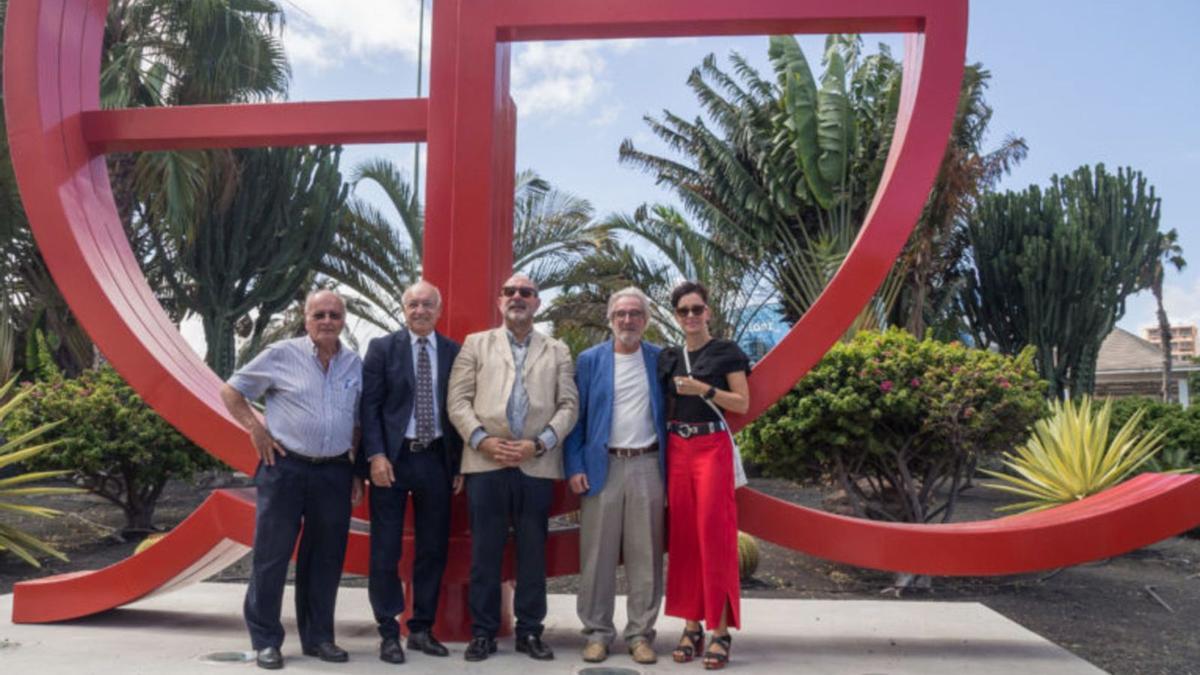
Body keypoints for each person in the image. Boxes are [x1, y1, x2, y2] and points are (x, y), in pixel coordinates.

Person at [220, 290, 363, 671]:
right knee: (272, 556)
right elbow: (231, 391)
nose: (327, 321)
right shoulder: (281, 355)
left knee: (326, 559)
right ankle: (266, 640)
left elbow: (357, 422)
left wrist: (354, 470)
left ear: (343, 320)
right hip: (285, 468)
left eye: (334, 315)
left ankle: (319, 638)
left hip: (334, 471)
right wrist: (256, 429)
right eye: (320, 315)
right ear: (306, 319)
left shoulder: (354, 364)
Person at [446, 273, 578, 662]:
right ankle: (483, 633)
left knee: (533, 555)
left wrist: (539, 443)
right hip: (485, 464)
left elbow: (569, 405)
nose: (518, 297)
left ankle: (530, 632)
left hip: (535, 464)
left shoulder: (557, 350)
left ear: (537, 303)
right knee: (485, 553)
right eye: (510, 292)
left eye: (526, 293)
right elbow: (458, 401)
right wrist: (482, 440)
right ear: (499, 301)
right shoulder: (475, 345)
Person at [358, 280, 463, 664]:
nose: (420, 310)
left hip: (436, 459)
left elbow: (460, 409)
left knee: (432, 549)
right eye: (413, 304)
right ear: (404, 309)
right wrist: (376, 455)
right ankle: (388, 630)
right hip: (393, 460)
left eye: (427, 304)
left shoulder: (454, 352)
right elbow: (369, 407)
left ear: (439, 310)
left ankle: (421, 628)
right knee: (385, 549)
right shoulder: (383, 349)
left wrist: (458, 464)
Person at [564, 287, 667, 665]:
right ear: (610, 318)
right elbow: (576, 418)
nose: (628, 320)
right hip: (600, 466)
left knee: (646, 557)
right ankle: (596, 633)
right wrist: (574, 466)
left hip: (647, 465)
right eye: (621, 313)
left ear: (646, 320)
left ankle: (640, 634)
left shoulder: (660, 360)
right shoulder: (590, 360)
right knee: (596, 556)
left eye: (635, 313)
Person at [658, 280, 751, 671]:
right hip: (679, 448)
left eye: (697, 309)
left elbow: (742, 403)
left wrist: (703, 389)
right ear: (676, 316)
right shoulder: (668, 356)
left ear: (708, 312)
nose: (692, 316)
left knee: (714, 537)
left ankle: (721, 631)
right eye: (684, 311)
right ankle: (692, 625)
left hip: (712, 449)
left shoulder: (726, 352)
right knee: (684, 540)